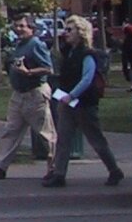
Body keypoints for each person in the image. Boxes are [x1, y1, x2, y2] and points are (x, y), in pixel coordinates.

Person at [44, 15, 123, 189]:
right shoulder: (68, 52)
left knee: (96, 139)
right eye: (66, 29)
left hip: (84, 104)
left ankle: (114, 170)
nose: (66, 33)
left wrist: (71, 95)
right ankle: (59, 174)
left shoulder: (88, 54)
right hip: (67, 103)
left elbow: (87, 79)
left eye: (70, 30)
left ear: (81, 32)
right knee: (63, 138)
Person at [0, 14, 56, 180]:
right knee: (11, 130)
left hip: (35, 93)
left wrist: (28, 72)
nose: (18, 29)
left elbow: (48, 69)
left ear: (32, 29)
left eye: (22, 26)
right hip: (19, 94)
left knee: (45, 134)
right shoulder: (20, 45)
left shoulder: (36, 44)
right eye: (16, 26)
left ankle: (55, 169)